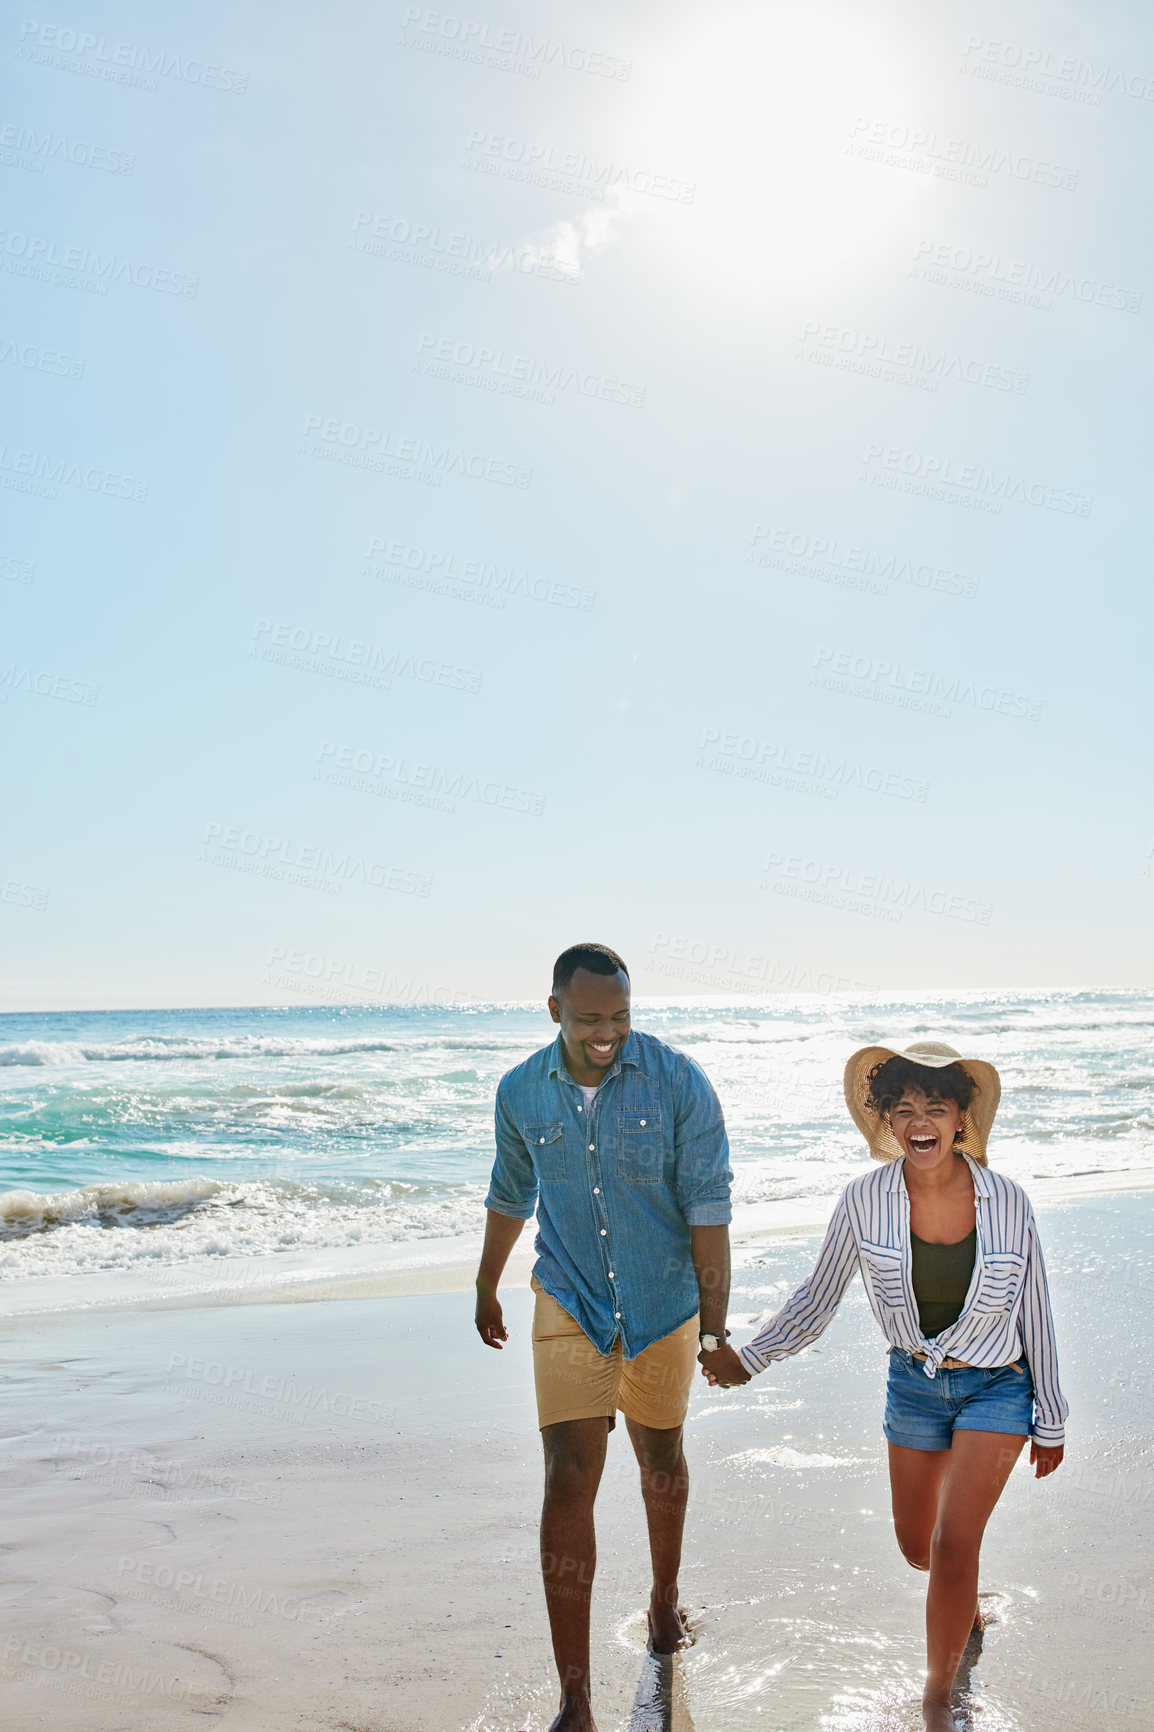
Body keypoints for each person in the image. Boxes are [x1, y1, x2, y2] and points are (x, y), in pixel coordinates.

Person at [702, 1039, 1067, 1732]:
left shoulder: (1009, 1201)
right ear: (888, 1122)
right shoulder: (864, 1200)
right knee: (917, 1546)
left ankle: (938, 1697)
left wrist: (1050, 1416)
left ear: (961, 1119)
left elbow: (1036, 1310)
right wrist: (749, 1358)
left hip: (998, 1385)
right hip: (914, 1386)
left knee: (954, 1544)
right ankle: (962, 1598)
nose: (919, 1120)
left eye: (935, 1106)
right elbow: (818, 1297)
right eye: (904, 1109)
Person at [474, 943, 735, 1732]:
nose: (606, 1033)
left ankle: (662, 1602)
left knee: (660, 1458)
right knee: (566, 1475)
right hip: (570, 1298)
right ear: (555, 1009)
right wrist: (485, 1281)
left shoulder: (678, 1081)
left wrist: (715, 1331)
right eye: (590, 1018)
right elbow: (510, 1192)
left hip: (663, 1305)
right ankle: (576, 1701)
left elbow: (708, 1207)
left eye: (620, 1016)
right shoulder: (521, 1091)